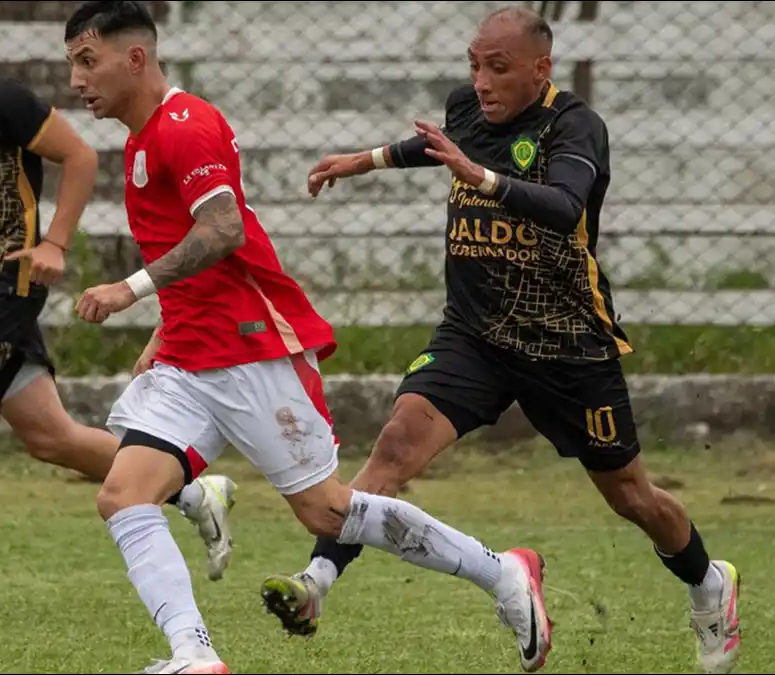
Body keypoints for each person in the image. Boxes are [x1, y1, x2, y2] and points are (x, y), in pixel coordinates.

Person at [64, 3, 558, 673]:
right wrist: (167, 324)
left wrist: (130, 289)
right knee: (123, 494)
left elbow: (222, 230)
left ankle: (504, 572)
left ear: (135, 58)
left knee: (328, 513)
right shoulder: (142, 138)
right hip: (193, 355)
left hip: (251, 348)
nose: (75, 79)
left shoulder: (187, 126)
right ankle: (194, 654)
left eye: (86, 61)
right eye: (72, 64)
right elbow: (200, 254)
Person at [258, 7, 741, 675]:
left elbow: (564, 204)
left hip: (567, 343)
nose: (481, 82)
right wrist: (361, 161)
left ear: (541, 68)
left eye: (499, 68)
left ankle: (708, 583)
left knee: (633, 496)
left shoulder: (574, 125)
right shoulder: (467, 111)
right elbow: (433, 145)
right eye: (474, 65)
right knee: (395, 445)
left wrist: (476, 176)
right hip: (475, 335)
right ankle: (316, 583)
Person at [0, 0, 239, 622]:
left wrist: (54, 241)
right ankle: (193, 490)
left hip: (5, 276)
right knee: (50, 438)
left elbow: (80, 157)